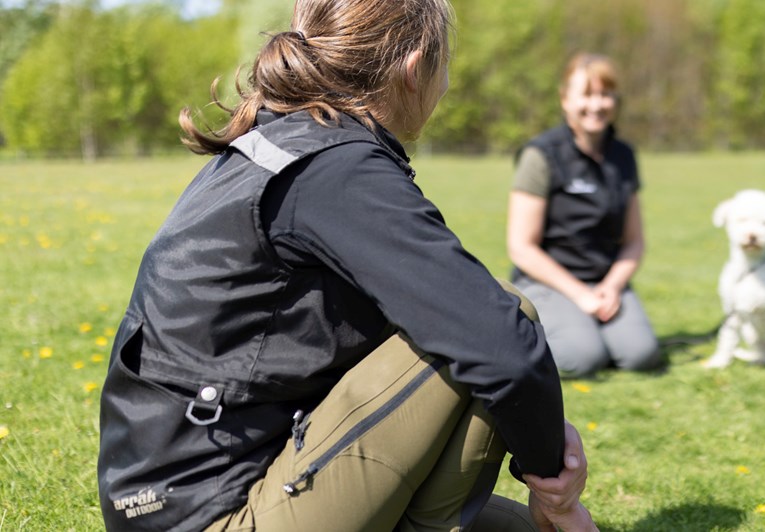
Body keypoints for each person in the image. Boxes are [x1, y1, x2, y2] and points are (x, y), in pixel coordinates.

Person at [95, 2, 596, 531]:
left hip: (185, 495)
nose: (446, 84)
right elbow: (502, 341)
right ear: (414, 68)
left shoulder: (287, 139)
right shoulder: (335, 165)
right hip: (208, 514)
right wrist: (553, 486)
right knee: (501, 311)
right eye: (446, 65)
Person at [507, 53, 662, 378]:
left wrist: (612, 286)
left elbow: (634, 241)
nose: (597, 104)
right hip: (547, 282)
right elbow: (521, 247)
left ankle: (592, 333)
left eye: (605, 94)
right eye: (587, 94)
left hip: (605, 283)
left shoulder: (624, 156)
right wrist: (581, 295)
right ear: (565, 99)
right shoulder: (541, 155)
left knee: (642, 355)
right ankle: (526, 335)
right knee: (583, 358)